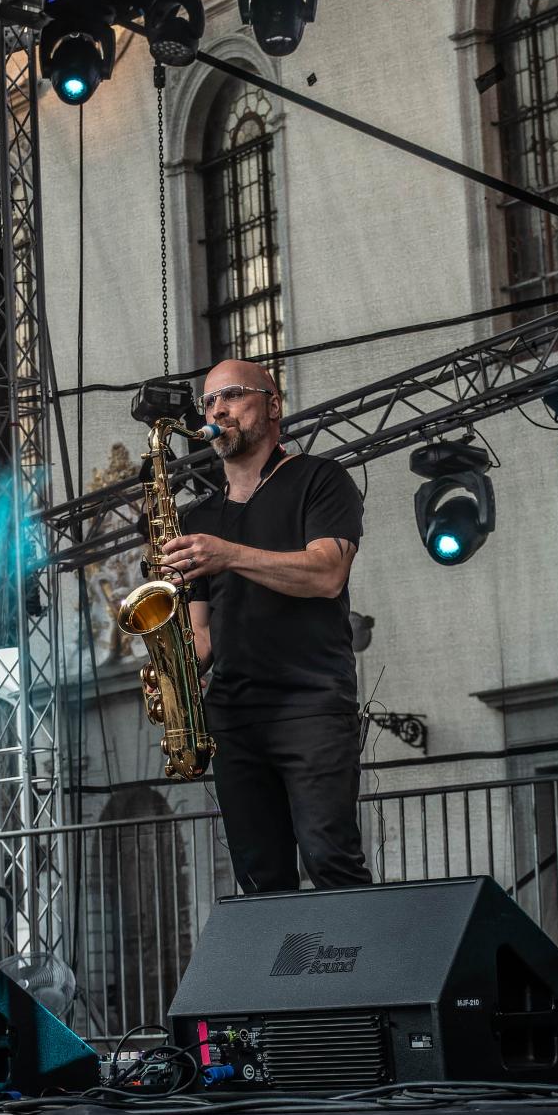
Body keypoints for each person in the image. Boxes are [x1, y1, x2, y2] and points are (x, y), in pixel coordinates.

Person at [165, 359, 372, 894]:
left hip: (312, 705)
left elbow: (326, 574)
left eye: (233, 395)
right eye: (209, 401)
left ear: (273, 405)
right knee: (259, 881)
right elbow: (202, 634)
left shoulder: (320, 479)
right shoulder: (197, 519)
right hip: (234, 720)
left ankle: (361, 954)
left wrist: (228, 554)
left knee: (332, 862)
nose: (218, 411)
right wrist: (169, 670)